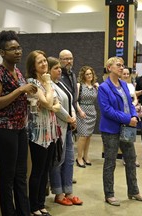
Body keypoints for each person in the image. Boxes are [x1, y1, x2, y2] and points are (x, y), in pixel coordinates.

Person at [0, 30, 37, 216]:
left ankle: (24, 212)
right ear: (2, 52)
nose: (18, 52)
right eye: (12, 49)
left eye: (19, 48)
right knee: (7, 177)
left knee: (21, 175)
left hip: (19, 128)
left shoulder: (17, 71)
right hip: (3, 129)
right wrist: (20, 90)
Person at [98, 56, 142, 206]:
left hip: (127, 128)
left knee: (131, 159)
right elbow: (107, 110)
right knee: (110, 162)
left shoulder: (125, 85)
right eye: (118, 65)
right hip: (111, 130)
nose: (122, 68)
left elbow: (131, 104)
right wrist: (127, 119)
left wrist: (133, 115)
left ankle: (134, 191)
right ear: (109, 68)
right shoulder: (103, 88)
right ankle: (109, 194)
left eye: (122, 65)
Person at [25, 50, 60, 216]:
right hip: (38, 132)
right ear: (33, 66)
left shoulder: (48, 81)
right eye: (40, 62)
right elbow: (46, 101)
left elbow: (56, 104)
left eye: (45, 61)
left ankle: (41, 203)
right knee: (38, 171)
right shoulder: (32, 82)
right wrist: (47, 89)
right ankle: (33, 206)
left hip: (51, 130)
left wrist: (50, 104)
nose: (44, 64)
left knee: (46, 169)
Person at [48, 57, 83, 206]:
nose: (59, 70)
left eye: (59, 68)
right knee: (58, 161)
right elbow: (57, 106)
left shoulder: (60, 83)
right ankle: (59, 193)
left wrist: (73, 117)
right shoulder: (49, 86)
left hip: (68, 127)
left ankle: (69, 192)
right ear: (48, 71)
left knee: (69, 160)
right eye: (56, 68)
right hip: (58, 128)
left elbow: (71, 101)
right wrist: (69, 118)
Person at [59, 49, 77, 183]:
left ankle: (67, 179)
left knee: (70, 155)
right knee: (61, 155)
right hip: (61, 120)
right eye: (65, 59)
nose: (68, 61)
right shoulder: (58, 77)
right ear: (60, 60)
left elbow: (73, 98)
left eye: (70, 58)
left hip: (71, 116)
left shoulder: (72, 75)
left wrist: (74, 115)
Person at [76, 66, 99, 168]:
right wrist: (80, 111)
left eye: (91, 74)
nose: (89, 76)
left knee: (89, 136)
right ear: (83, 76)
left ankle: (86, 156)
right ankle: (79, 157)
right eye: (87, 74)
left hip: (92, 111)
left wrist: (98, 88)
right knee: (83, 136)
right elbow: (75, 100)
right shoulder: (79, 86)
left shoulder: (95, 86)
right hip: (82, 111)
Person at [120, 67, 140, 167]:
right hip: (123, 113)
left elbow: (135, 98)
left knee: (131, 136)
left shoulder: (131, 85)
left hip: (131, 112)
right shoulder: (118, 85)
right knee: (124, 136)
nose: (126, 76)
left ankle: (132, 158)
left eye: (128, 74)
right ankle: (125, 158)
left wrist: (133, 104)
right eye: (124, 74)